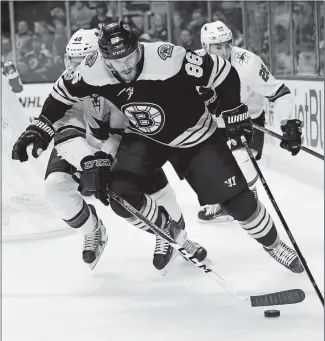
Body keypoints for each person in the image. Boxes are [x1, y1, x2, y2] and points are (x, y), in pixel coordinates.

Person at [12, 21, 304, 274]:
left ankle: (274, 244)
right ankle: (169, 232)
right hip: (145, 138)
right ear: (103, 58)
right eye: (116, 61)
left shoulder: (168, 57)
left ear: (139, 47)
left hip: (195, 137)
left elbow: (223, 73)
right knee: (119, 193)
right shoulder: (91, 69)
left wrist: (235, 110)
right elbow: (61, 93)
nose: (125, 66)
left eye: (129, 56)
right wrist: (42, 125)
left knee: (239, 204)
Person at [42, 28, 208, 272]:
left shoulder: (118, 80)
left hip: (119, 143)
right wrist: (88, 160)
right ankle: (93, 230)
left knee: (148, 191)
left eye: (81, 62)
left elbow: (125, 131)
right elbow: (65, 129)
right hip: (82, 146)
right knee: (54, 186)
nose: (74, 69)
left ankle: (174, 234)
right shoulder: (69, 85)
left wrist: (105, 157)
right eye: (71, 61)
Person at [198, 20, 298, 223]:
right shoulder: (194, 64)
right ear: (205, 47)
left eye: (228, 44)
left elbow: (279, 92)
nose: (225, 51)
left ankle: (249, 198)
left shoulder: (248, 63)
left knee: (242, 163)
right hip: (215, 124)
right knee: (212, 168)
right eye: (218, 47)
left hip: (247, 120)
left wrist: (289, 124)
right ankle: (224, 201)